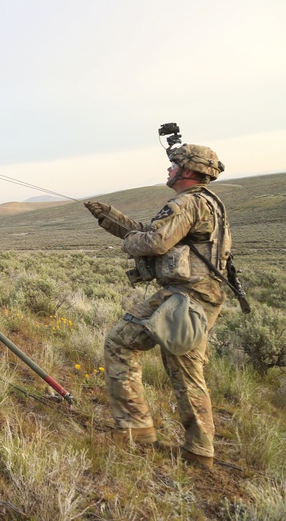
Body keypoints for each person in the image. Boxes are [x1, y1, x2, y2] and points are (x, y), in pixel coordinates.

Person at [85, 143, 232, 468]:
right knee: (187, 371)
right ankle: (199, 450)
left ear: (189, 171)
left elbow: (154, 241)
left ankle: (135, 429)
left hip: (183, 298)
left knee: (120, 342)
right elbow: (155, 233)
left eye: (174, 164)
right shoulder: (208, 203)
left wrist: (128, 243)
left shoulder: (186, 202)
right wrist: (110, 218)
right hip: (201, 298)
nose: (168, 169)